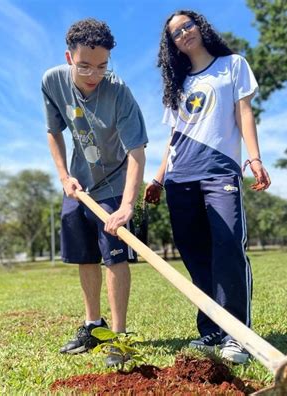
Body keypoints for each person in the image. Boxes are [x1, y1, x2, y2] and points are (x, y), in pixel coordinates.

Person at [145, 10, 271, 364]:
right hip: (179, 177)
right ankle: (213, 330)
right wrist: (157, 178)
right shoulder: (179, 83)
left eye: (187, 26)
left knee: (228, 245)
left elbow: (244, 112)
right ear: (172, 45)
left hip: (219, 172)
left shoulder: (232, 65)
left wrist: (255, 158)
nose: (184, 33)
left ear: (199, 27)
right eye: (175, 33)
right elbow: (174, 135)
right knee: (196, 255)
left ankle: (238, 335)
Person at [41, 18, 147, 367]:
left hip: (114, 184)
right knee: (84, 256)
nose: (93, 74)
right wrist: (63, 177)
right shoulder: (52, 81)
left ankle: (118, 336)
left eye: (102, 66)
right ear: (69, 57)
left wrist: (128, 204)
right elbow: (53, 131)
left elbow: (136, 153)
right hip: (78, 184)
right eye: (85, 65)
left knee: (114, 256)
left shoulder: (119, 92)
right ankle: (93, 325)